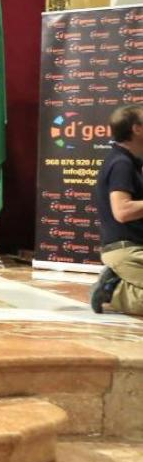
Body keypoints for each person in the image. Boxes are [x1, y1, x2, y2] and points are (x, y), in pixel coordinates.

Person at [91, 104, 143, 314]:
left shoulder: (130, 162)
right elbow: (122, 211)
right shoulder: (121, 163)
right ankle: (112, 289)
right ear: (136, 129)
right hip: (127, 250)